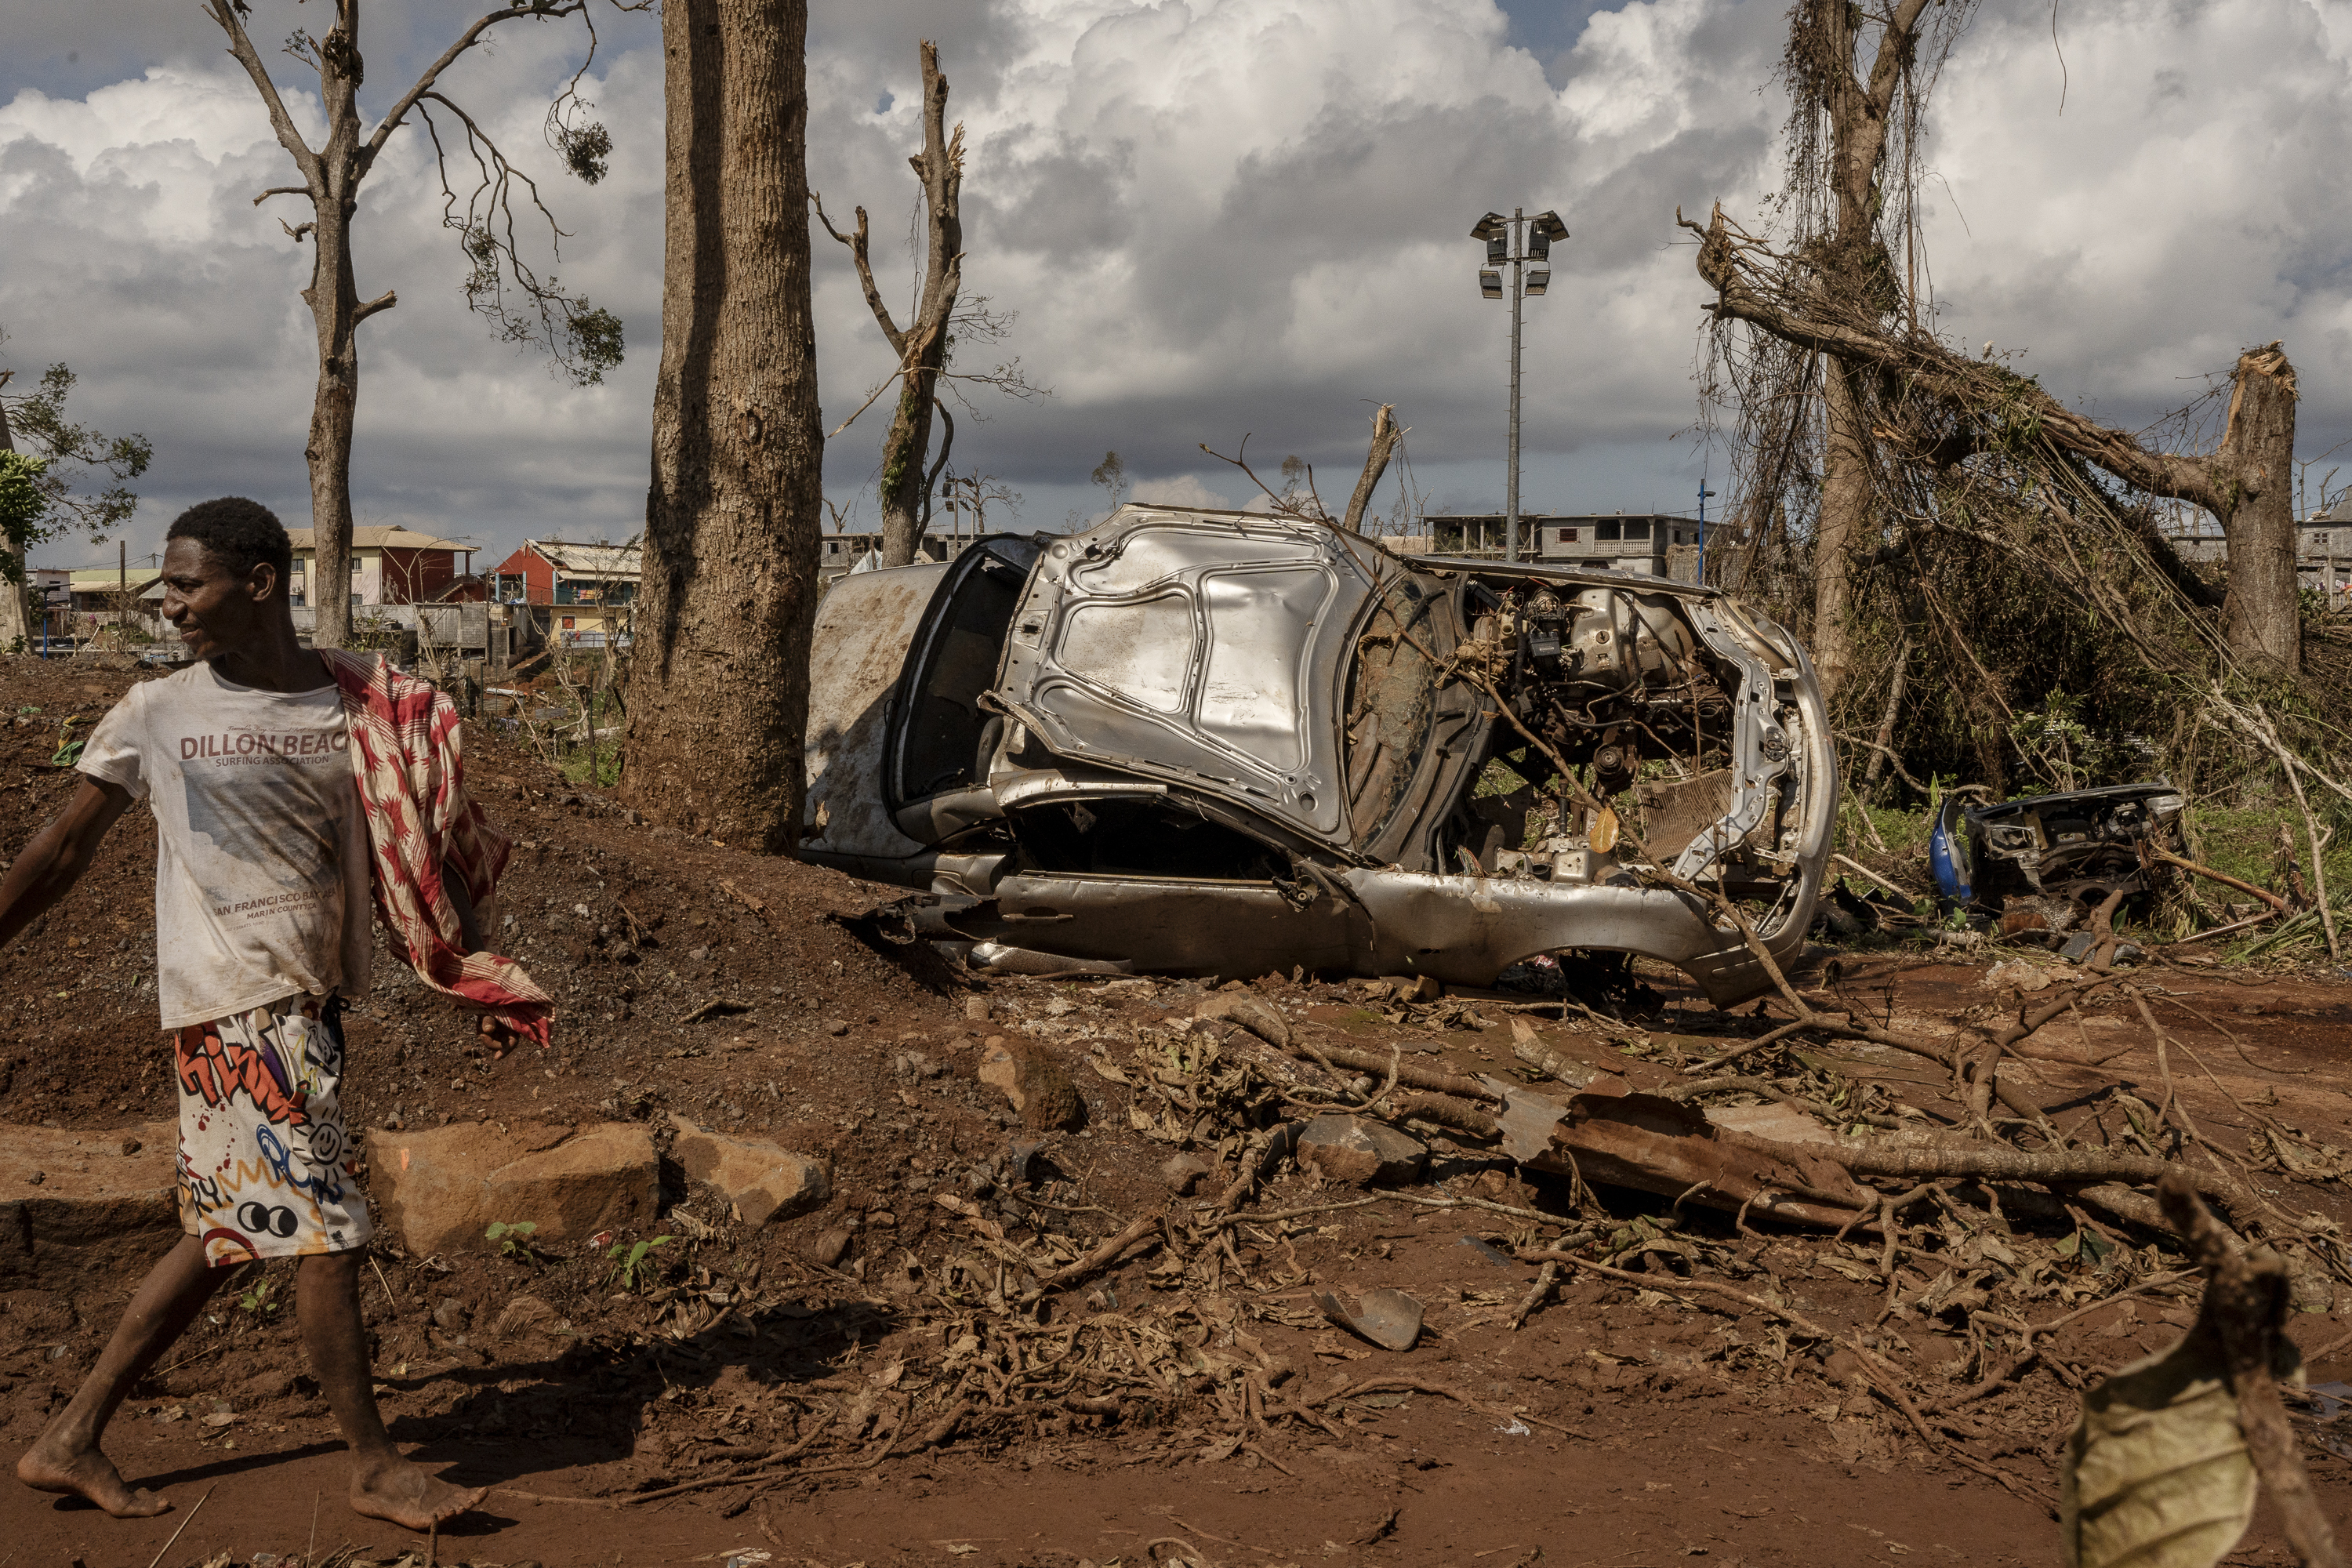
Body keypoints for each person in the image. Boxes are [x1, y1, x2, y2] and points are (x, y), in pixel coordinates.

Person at [3, 498, 548, 1530]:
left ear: (259, 582)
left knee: (239, 1230)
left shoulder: (361, 708)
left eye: (185, 586)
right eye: (163, 587)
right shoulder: (156, 712)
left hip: (306, 1002)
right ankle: (377, 1466)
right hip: (236, 1006)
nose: (168, 608)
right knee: (323, 1230)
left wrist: (474, 970)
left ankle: (68, 1438)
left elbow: (423, 841)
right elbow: (62, 849)